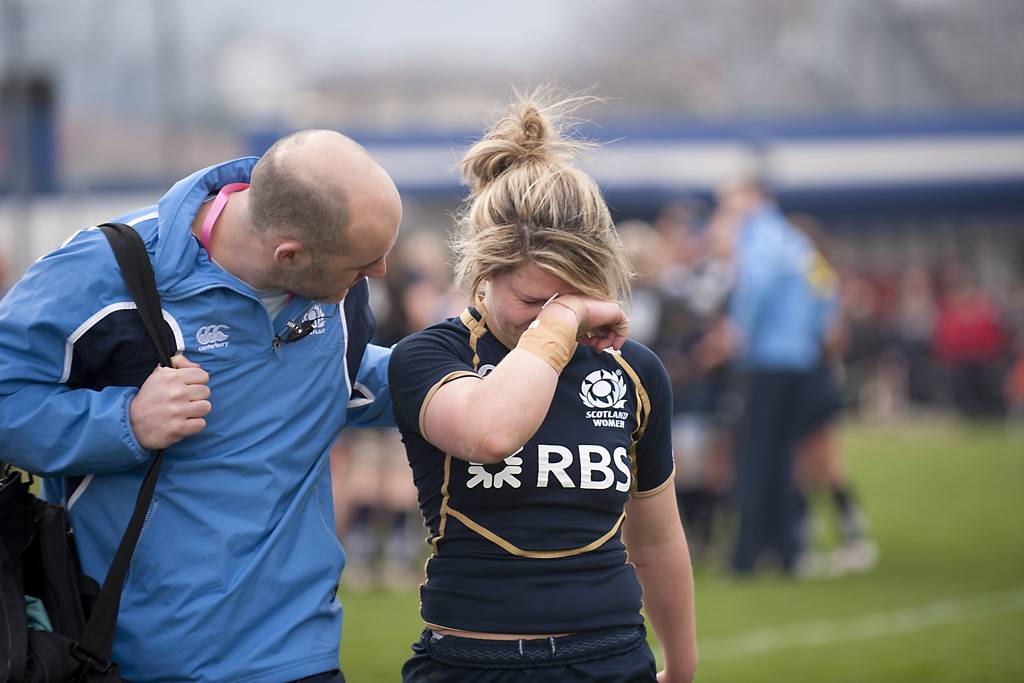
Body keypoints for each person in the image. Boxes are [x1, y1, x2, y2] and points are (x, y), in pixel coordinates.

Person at [0, 129, 402, 682]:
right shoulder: (104, 271)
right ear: (289, 254)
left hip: (299, 652)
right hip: (135, 656)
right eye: (363, 264)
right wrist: (126, 423)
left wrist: (459, 379)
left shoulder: (335, 288)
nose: (379, 273)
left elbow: (339, 378)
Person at [388, 94, 698, 683]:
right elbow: (490, 431)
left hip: (611, 658)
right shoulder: (430, 356)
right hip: (474, 665)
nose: (550, 316)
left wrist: (681, 663)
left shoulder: (634, 370)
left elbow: (657, 536)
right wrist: (562, 322)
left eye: (571, 296)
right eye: (533, 300)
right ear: (483, 272)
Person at [717, 178, 829, 575]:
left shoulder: (758, 235)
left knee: (753, 458)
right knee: (782, 458)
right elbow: (826, 294)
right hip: (799, 362)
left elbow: (756, 286)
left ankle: (746, 555)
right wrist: (808, 336)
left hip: (764, 362)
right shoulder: (796, 242)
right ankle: (787, 551)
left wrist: (739, 331)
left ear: (752, 198)